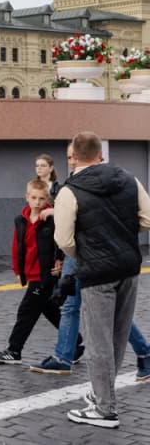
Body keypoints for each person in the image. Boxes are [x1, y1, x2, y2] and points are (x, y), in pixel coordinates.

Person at [53, 131, 150, 428]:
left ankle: (105, 409)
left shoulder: (69, 191)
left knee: (98, 341)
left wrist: (83, 252)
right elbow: (147, 219)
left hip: (96, 272)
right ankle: (102, 396)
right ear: (100, 154)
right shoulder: (128, 179)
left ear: (74, 157)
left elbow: (64, 239)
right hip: (129, 267)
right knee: (118, 336)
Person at [30, 142, 147, 378]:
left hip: (87, 250)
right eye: (68, 156)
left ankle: (72, 363)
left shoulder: (78, 185)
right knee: (85, 308)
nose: (71, 159)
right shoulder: (122, 179)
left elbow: (65, 236)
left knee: (92, 311)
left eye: (74, 155)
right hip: (112, 254)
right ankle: (64, 356)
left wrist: (74, 253)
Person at [0, 179, 63, 364]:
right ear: (27, 197)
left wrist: (61, 259)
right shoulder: (20, 220)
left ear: (48, 199)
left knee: (26, 311)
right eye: (34, 198)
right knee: (51, 310)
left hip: (45, 275)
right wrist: (18, 269)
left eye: (42, 198)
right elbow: (17, 246)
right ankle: (77, 344)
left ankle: (14, 350)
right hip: (30, 273)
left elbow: (63, 239)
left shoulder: (52, 219)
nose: (37, 202)